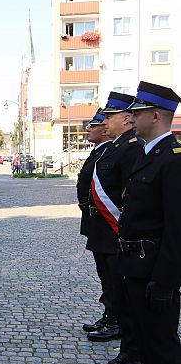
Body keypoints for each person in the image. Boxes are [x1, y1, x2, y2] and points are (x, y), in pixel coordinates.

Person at [117, 81, 181, 364]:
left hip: (155, 270)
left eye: (137, 113)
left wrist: (166, 281)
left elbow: (177, 228)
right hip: (137, 266)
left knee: (163, 349)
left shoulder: (173, 159)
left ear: (155, 115)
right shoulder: (146, 154)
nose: (131, 118)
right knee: (147, 347)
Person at [85, 93, 145, 364]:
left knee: (127, 297)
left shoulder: (132, 148)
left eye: (109, 117)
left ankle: (134, 359)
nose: (103, 122)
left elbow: (129, 194)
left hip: (118, 234)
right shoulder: (115, 148)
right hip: (105, 230)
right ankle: (128, 355)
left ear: (125, 118)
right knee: (118, 292)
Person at [76, 109, 112, 336]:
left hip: (108, 224)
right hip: (97, 222)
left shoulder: (111, 151)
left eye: (94, 125)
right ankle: (110, 315)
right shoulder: (100, 151)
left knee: (112, 276)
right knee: (105, 274)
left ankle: (114, 319)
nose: (88, 128)